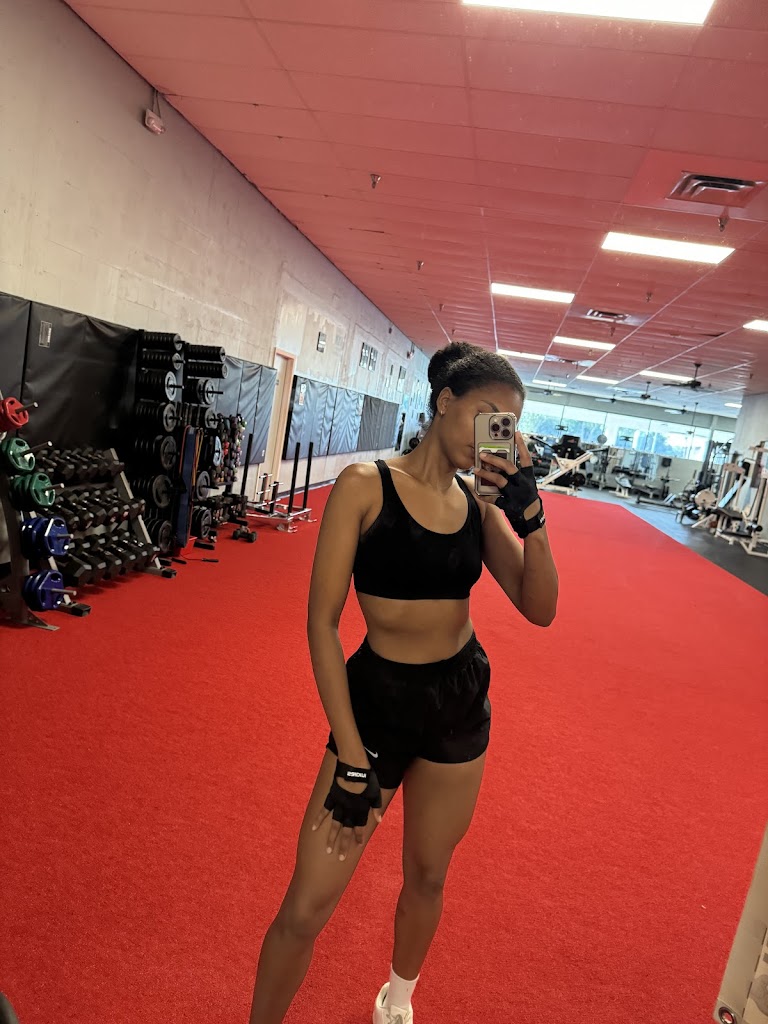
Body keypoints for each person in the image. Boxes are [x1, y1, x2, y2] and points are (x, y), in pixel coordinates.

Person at [248, 341, 559, 1024]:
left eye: (508, 424)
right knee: (306, 905)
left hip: (459, 701)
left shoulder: (478, 504)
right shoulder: (366, 486)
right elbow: (322, 625)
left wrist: (531, 518)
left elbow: (541, 609)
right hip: (377, 706)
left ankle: (397, 999)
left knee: (428, 873)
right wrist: (350, 754)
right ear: (445, 402)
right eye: (487, 415)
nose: (494, 434)